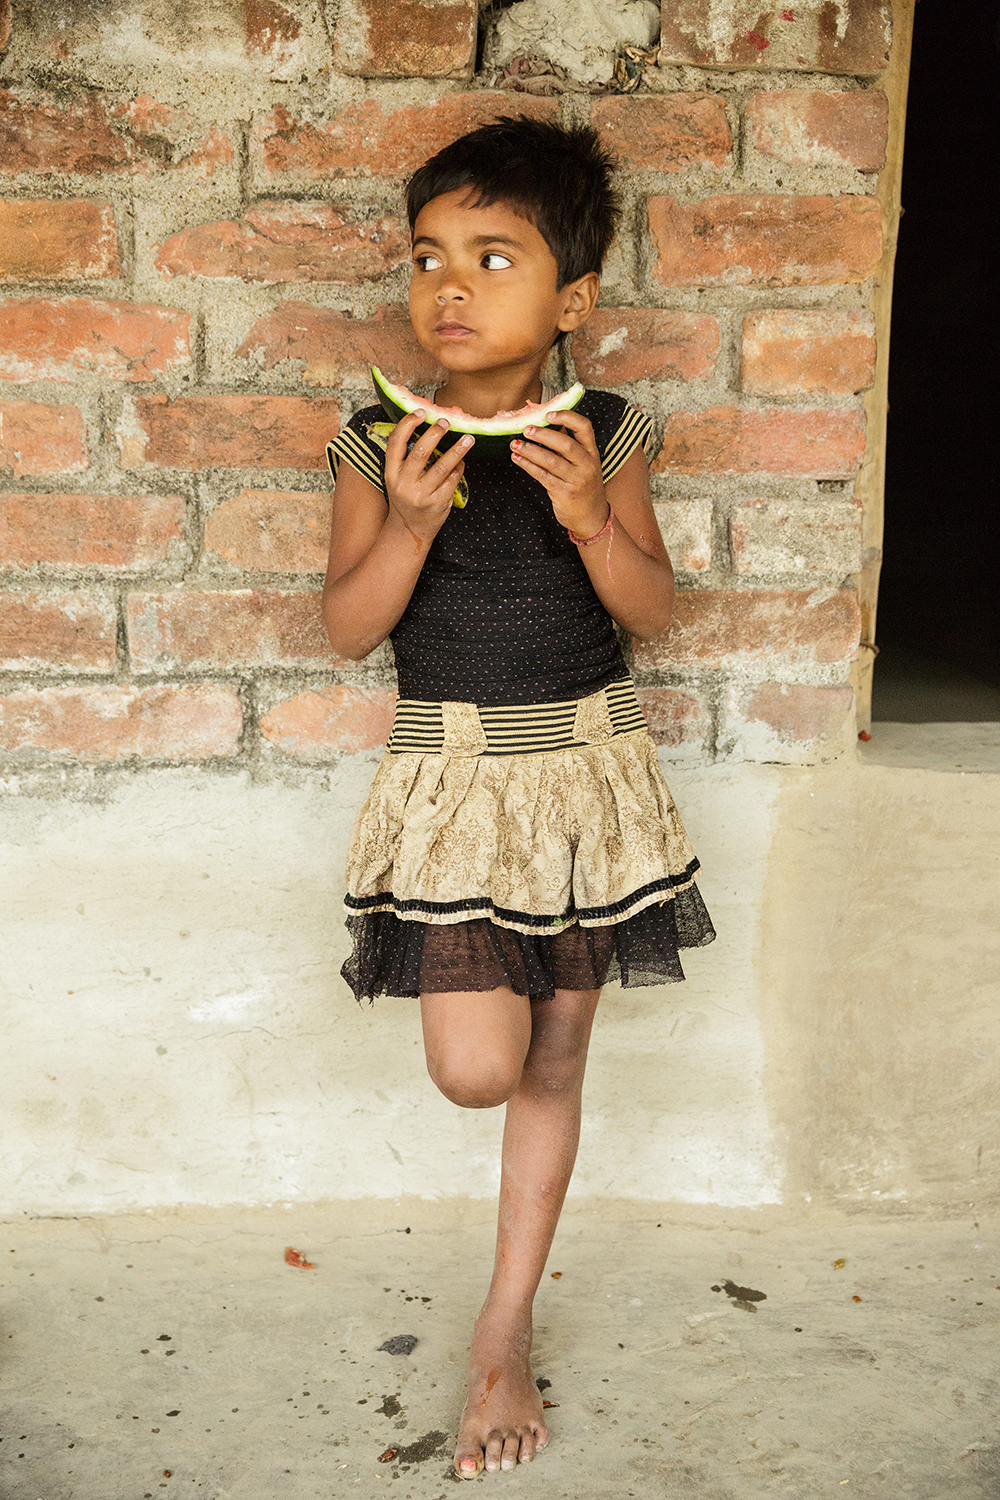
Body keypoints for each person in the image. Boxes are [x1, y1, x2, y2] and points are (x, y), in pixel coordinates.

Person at [322, 116, 716, 1480]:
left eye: (495, 258)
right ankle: (503, 1312)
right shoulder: (378, 437)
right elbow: (345, 626)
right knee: (475, 1066)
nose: (451, 286)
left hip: (588, 779)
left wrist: (589, 519)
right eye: (430, 256)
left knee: (555, 1055)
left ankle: (505, 1328)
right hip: (452, 783)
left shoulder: (603, 429)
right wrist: (418, 521)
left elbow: (651, 609)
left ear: (573, 300)